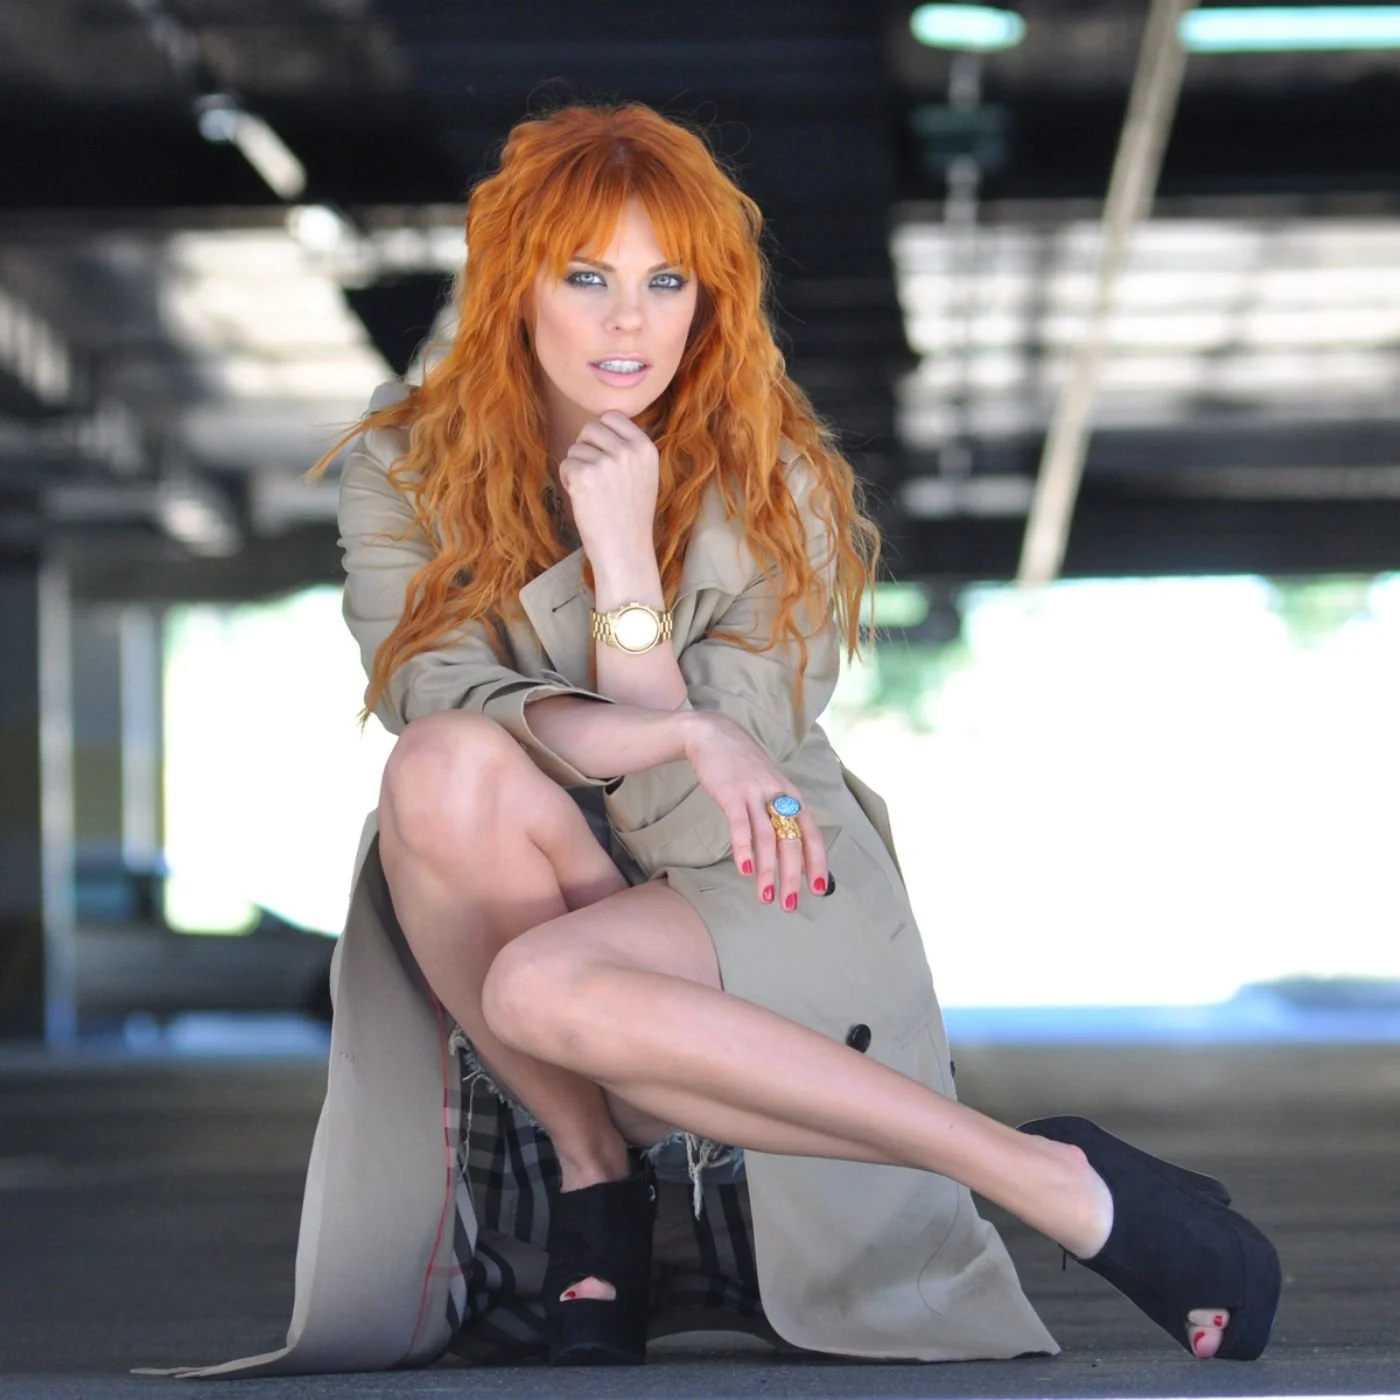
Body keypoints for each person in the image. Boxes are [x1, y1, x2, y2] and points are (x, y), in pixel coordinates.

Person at [144, 102, 1280, 1380]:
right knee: (441, 765)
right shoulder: (406, 462)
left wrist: (625, 557)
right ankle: (604, 1166)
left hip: (757, 879)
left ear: (709, 299)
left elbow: (694, 809)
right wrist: (678, 719)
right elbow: (432, 691)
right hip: (529, 882)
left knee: (538, 988)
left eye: (665, 281)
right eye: (586, 277)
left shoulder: (776, 476)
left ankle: (1046, 1180)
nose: (628, 321)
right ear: (515, 285)